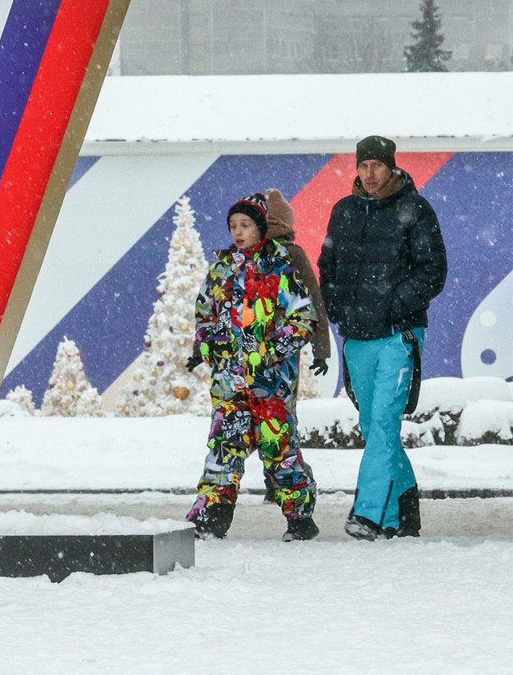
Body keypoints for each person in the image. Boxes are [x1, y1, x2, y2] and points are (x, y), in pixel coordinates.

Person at [318, 135, 446, 540]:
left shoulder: (415, 209)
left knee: (385, 424)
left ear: (391, 166)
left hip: (398, 335)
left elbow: (433, 271)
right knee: (374, 428)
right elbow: (327, 266)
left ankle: (369, 514)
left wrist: (392, 305)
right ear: (355, 168)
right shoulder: (344, 211)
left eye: (377, 165)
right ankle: (402, 512)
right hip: (356, 336)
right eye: (363, 166)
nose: (369, 174)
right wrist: (336, 307)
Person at [185, 193, 319, 542]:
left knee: (279, 449)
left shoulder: (281, 267)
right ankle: (211, 515)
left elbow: (304, 319)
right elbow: (205, 314)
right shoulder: (220, 270)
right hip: (230, 382)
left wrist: (270, 350)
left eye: (245, 225)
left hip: (270, 382)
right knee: (225, 444)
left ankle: (299, 514)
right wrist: (208, 342)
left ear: (261, 228)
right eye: (233, 226)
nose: (238, 232)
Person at [259, 189, 332, 502]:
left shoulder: (250, 252)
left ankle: (275, 478)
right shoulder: (293, 252)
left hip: (251, 350)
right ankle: (286, 480)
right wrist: (321, 348)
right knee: (283, 415)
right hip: (286, 350)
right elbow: (315, 301)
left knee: (258, 414)